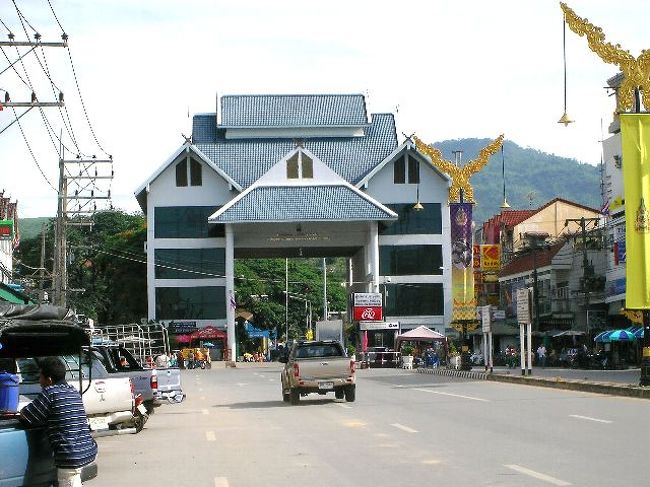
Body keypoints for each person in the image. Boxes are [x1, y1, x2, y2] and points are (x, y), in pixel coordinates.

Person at [19, 356, 97, 487]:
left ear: (49, 379)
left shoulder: (50, 393)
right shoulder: (73, 391)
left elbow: (26, 415)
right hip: (88, 450)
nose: (39, 381)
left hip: (70, 456)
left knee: (69, 482)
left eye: (40, 377)